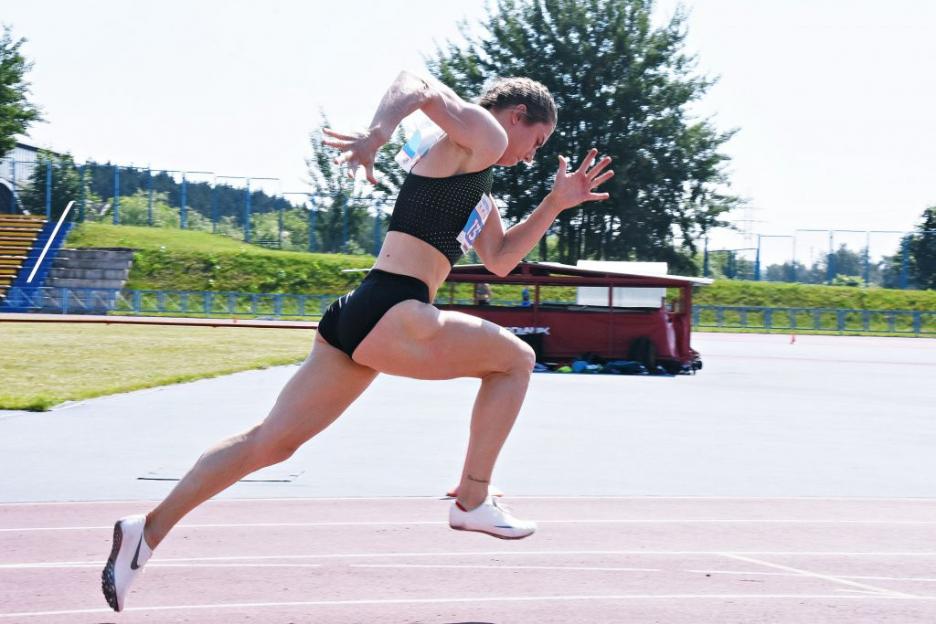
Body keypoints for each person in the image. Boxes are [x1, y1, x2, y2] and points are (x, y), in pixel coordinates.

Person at [101, 70, 613, 612]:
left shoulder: (477, 185)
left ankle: (146, 532)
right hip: (396, 307)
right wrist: (377, 134)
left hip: (359, 316)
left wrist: (555, 204)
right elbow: (416, 83)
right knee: (517, 361)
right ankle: (473, 496)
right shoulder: (484, 133)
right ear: (516, 117)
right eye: (536, 142)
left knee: (271, 442)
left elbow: (502, 259)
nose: (532, 158)